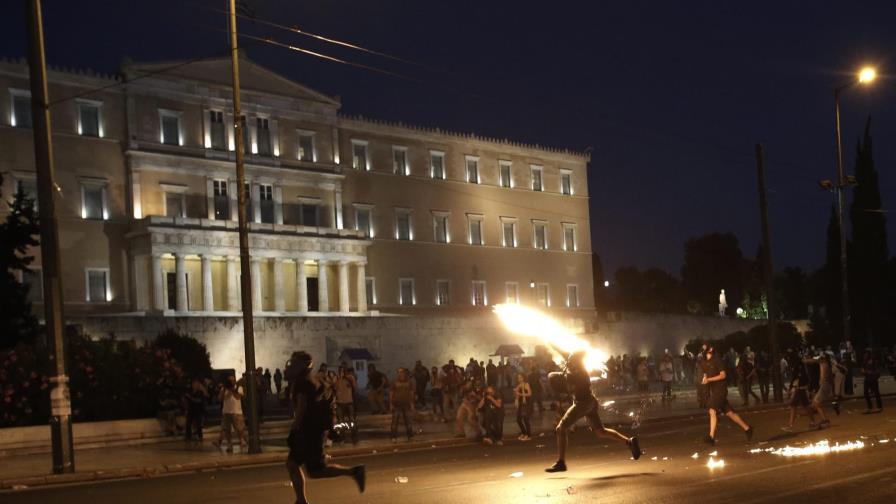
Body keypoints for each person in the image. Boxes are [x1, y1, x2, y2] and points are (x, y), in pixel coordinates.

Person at [283, 351, 365, 504]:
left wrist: (294, 431)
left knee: (312, 469)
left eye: (294, 363)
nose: (290, 366)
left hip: (308, 432)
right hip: (314, 431)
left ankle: (354, 471)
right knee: (298, 465)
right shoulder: (312, 381)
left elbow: (301, 409)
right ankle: (301, 501)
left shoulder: (303, 383)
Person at [545, 351, 641, 473]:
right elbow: (563, 353)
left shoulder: (579, 372)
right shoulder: (573, 370)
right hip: (590, 402)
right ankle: (629, 442)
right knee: (601, 432)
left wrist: (571, 357)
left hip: (584, 403)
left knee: (561, 428)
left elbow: (580, 353)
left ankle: (561, 462)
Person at [700, 344, 753, 445]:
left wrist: (709, 379)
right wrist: (704, 378)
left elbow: (723, 375)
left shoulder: (718, 360)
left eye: (705, 347)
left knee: (712, 410)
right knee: (729, 413)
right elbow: (705, 373)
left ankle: (711, 437)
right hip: (714, 390)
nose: (703, 349)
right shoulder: (704, 362)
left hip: (721, 390)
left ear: (711, 349)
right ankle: (748, 428)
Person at [214, 373, 247, 452]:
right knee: (227, 429)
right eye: (230, 381)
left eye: (233, 380)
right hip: (226, 412)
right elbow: (220, 399)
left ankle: (242, 440)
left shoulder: (239, 388)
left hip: (237, 412)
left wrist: (232, 390)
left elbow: (238, 397)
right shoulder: (224, 389)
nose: (231, 382)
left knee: (239, 429)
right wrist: (225, 389)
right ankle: (229, 444)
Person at [390, 368, 415, 442]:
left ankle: (410, 436)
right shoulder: (394, 382)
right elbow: (391, 393)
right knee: (394, 421)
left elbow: (411, 393)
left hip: (406, 403)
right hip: (397, 403)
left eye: (401, 372)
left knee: (408, 421)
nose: (400, 373)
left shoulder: (409, 382)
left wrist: (412, 403)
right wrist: (390, 404)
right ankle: (393, 437)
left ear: (404, 373)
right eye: (398, 372)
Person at [335, 366, 358, 444]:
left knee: (352, 420)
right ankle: (342, 438)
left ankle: (354, 437)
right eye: (340, 371)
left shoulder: (350, 378)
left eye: (343, 371)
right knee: (341, 421)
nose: (342, 372)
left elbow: (355, 387)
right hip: (340, 402)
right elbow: (334, 388)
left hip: (349, 401)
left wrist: (348, 379)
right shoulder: (337, 378)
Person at [514, 372, 532, 440]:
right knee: (518, 419)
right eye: (518, 378)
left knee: (525, 419)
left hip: (526, 403)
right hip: (521, 403)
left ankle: (528, 435)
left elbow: (529, 393)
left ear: (523, 378)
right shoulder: (519, 385)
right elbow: (517, 395)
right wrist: (516, 397)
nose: (519, 379)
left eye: (520, 377)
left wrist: (520, 394)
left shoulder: (526, 384)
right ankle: (524, 433)